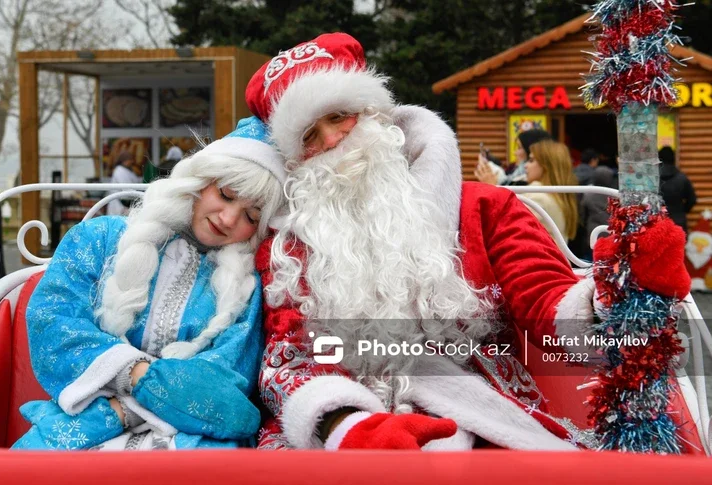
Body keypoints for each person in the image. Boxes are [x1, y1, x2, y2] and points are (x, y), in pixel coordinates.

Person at [245, 33, 690, 452]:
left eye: (339, 116)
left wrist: (620, 286)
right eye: (308, 135)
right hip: (346, 427)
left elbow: (549, 305)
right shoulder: (289, 244)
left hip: (479, 418)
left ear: (376, 114)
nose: (332, 139)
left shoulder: (485, 208)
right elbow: (290, 361)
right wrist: (347, 425)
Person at [11, 117, 286, 451]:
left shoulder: (244, 289)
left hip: (192, 439)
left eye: (251, 217)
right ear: (199, 181)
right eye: (226, 194)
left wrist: (125, 407)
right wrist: (136, 373)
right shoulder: (98, 238)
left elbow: (224, 397)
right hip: (85, 418)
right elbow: (53, 325)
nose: (228, 218)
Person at [522, 140, 579, 243]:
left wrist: (494, 190)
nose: (526, 165)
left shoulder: (537, 196)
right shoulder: (561, 197)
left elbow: (505, 226)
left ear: (546, 165)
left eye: (531, 160)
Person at [475, 129, 551, 186]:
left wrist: (492, 187)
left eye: (519, 147)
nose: (515, 153)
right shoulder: (514, 174)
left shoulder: (536, 192)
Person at [579, 166, 617, 257]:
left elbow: (582, 215)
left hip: (593, 233)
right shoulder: (614, 196)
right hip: (611, 233)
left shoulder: (589, 195)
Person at [659, 146, 697, 234]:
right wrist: (682, 210)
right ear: (673, 159)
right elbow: (692, 199)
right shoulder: (682, 178)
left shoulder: (653, 180)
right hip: (678, 221)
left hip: (659, 222)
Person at [107, 151, 142, 216]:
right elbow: (127, 188)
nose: (132, 161)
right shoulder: (119, 171)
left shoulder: (128, 170)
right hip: (118, 205)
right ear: (124, 160)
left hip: (126, 203)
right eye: (130, 160)